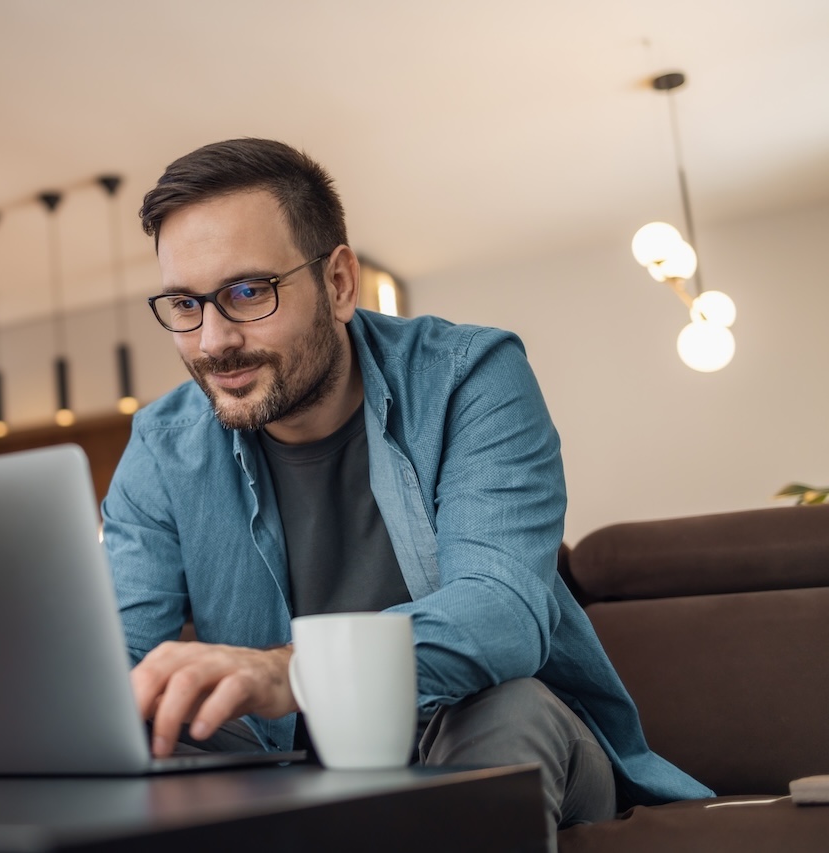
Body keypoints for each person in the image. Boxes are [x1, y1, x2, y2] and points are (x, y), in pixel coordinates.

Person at [99, 138, 712, 833]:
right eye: (185, 302)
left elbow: (503, 611)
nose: (211, 341)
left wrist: (293, 673)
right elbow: (115, 658)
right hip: (277, 764)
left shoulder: (468, 375)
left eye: (248, 292)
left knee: (509, 708)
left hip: (467, 730)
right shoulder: (161, 442)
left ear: (337, 283)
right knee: (150, 730)